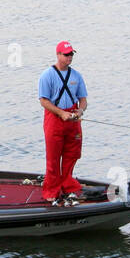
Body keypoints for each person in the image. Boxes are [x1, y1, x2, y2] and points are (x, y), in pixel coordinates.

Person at [37, 41, 88, 206]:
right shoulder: (47, 75)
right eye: (66, 54)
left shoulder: (76, 76)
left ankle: (67, 185)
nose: (69, 57)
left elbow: (83, 99)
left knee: (72, 154)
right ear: (58, 55)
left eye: (71, 54)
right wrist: (61, 113)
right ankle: (51, 191)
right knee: (53, 158)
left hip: (73, 118)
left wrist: (79, 112)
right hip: (55, 118)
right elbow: (43, 101)